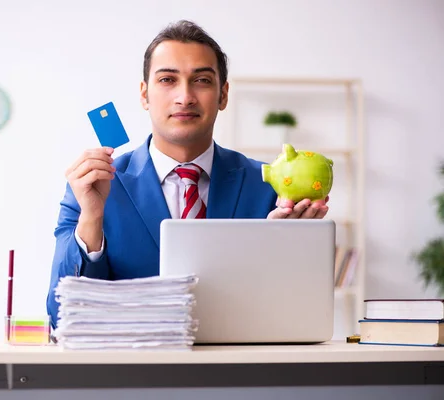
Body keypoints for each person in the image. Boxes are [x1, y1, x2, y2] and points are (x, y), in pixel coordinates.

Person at [46, 20, 329, 328]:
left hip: (238, 369)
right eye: (167, 80)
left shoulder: (267, 187)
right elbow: (61, 316)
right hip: (132, 370)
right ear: (144, 95)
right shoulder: (93, 186)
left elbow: (296, 310)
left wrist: (286, 247)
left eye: (202, 81)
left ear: (223, 95)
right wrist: (91, 218)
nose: (185, 97)